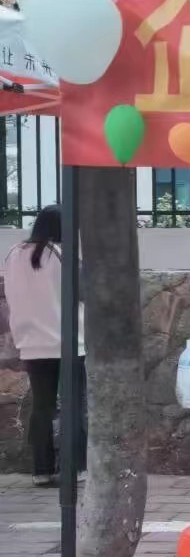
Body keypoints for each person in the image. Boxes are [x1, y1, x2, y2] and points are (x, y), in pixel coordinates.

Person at [2, 206, 85, 486]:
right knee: (74, 405)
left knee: (42, 407)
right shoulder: (62, 254)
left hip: (31, 342)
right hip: (68, 342)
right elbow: (81, 293)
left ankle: (42, 470)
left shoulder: (13, 254)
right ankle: (77, 468)